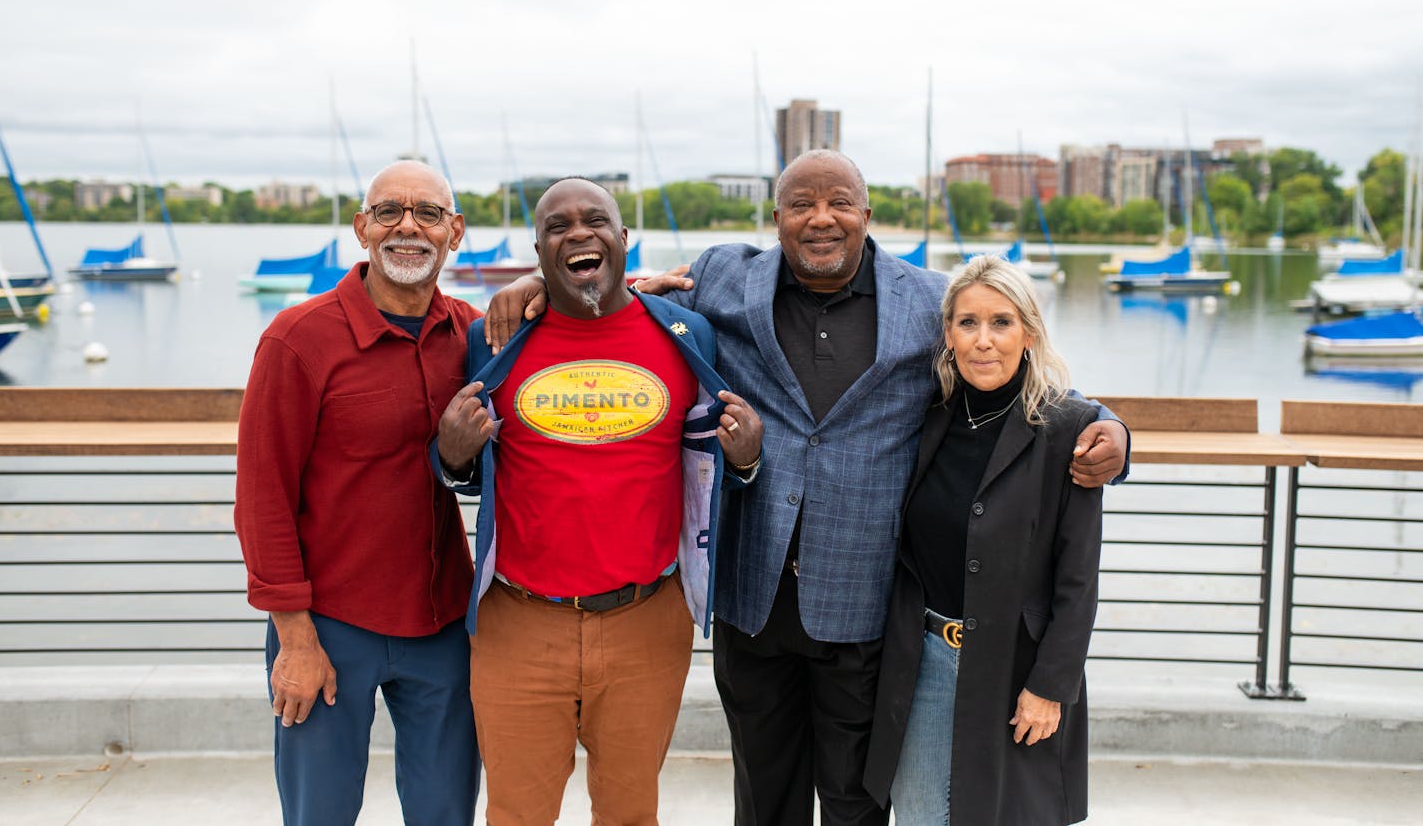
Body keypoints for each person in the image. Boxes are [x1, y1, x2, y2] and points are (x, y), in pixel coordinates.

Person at [483, 150, 1127, 825]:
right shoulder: (721, 280)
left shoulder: (930, 300)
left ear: (867, 215)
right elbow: (608, 285)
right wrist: (531, 283)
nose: (822, 218)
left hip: (866, 602)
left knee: (856, 802)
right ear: (777, 217)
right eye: (802, 204)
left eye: (840, 202)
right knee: (764, 799)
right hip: (753, 599)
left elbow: (1021, 367)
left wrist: (1112, 429)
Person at [432, 177, 763, 825]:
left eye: (595, 221)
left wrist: (746, 461)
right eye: (558, 226)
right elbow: (470, 472)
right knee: (517, 814)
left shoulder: (688, 335)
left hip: (647, 620)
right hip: (518, 623)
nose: (578, 233)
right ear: (538, 250)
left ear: (623, 239)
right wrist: (449, 455)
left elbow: (709, 466)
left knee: (630, 813)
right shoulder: (493, 343)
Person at [234, 160, 483, 826]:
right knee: (321, 813)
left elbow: (563, 337)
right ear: (361, 228)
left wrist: (631, 290)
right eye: (389, 211)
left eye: (428, 213)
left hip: (443, 626)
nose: (408, 226)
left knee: (446, 812)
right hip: (327, 626)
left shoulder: (474, 335)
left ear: (454, 232)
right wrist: (294, 639)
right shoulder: (297, 339)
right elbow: (262, 500)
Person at [863, 254, 1102, 825]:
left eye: (1001, 322)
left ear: (1029, 333)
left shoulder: (1066, 429)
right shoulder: (929, 416)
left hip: (1016, 673)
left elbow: (1079, 578)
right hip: (921, 666)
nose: (984, 340)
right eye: (968, 323)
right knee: (922, 817)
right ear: (947, 334)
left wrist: (1050, 686)